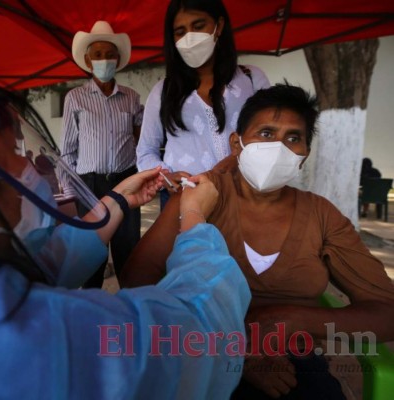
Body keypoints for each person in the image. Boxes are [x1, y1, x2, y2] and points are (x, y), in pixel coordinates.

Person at [0, 41, 252, 399]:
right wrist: (195, 217)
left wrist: (116, 201)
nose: (27, 164)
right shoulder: (35, 339)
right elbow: (199, 338)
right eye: (15, 149)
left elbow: (43, 265)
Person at [122, 83, 394, 399]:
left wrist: (293, 320)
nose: (278, 147)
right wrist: (235, 351)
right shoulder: (202, 197)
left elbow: (385, 312)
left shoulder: (321, 215)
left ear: (304, 155)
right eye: (265, 133)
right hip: (200, 352)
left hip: (295, 365)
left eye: (294, 138)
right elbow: (136, 282)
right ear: (237, 145)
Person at [136, 0, 270, 209]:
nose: (189, 38)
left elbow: (269, 139)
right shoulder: (163, 91)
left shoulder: (251, 79)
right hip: (183, 201)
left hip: (245, 199)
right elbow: (145, 151)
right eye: (180, 32)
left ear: (219, 26)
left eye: (198, 26)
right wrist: (166, 177)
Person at [61, 21, 144, 288]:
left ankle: (131, 310)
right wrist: (70, 191)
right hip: (90, 184)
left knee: (128, 252)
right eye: (97, 55)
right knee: (92, 253)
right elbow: (67, 150)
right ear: (87, 60)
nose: (104, 60)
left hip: (125, 181)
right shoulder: (75, 98)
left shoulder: (131, 97)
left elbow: (142, 136)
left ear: (118, 59)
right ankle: (92, 314)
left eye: (109, 54)